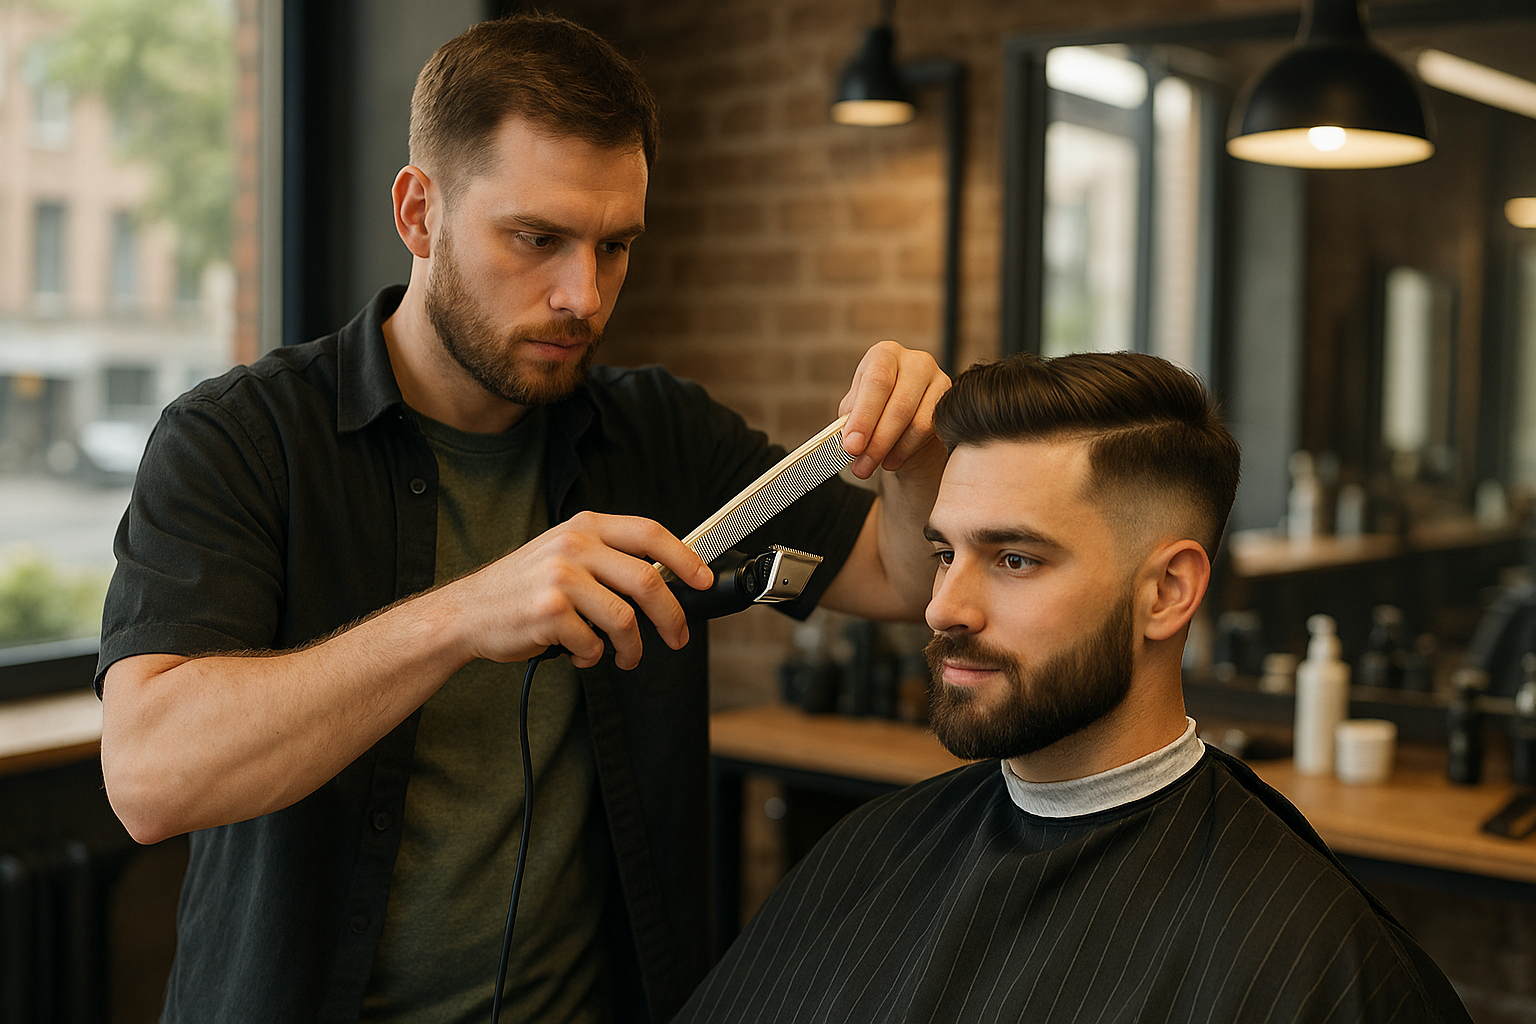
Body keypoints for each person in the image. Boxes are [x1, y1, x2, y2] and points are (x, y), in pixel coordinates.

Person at [94, 14, 947, 1024]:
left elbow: (903, 579)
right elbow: (149, 775)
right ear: (420, 213)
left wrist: (915, 459)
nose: (582, 295)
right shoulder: (241, 438)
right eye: (536, 239)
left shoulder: (660, 437)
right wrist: (460, 615)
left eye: (615, 245)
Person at [674, 351, 1473, 1024]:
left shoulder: (1317, 960)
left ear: (1165, 592)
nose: (942, 606)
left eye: (1015, 559)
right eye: (945, 553)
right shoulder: (866, 852)